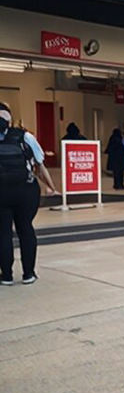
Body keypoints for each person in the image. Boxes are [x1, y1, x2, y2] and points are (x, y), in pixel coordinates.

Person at [0, 103, 58, 285]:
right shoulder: (24, 136)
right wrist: (51, 187)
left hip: (1, 192)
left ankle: (6, 276)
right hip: (26, 191)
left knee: (3, 233)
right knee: (25, 229)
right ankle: (28, 274)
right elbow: (40, 165)